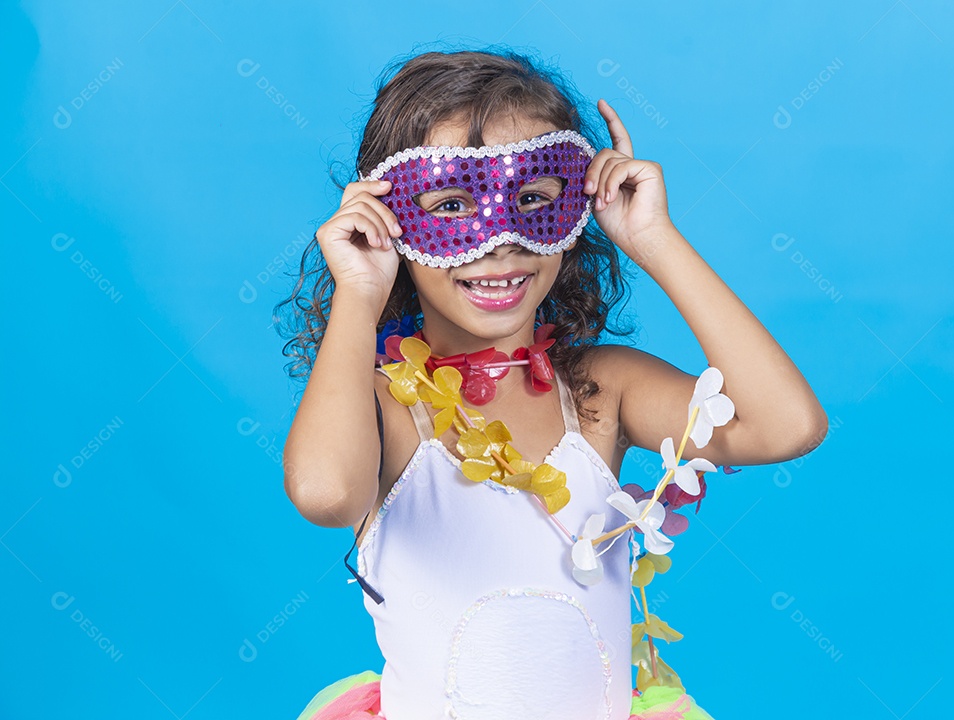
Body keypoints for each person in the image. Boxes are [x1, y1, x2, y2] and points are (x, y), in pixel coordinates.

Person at [278, 47, 828, 720]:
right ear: (389, 221)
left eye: (533, 200)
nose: (499, 239)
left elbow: (787, 426)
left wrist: (653, 238)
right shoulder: (386, 405)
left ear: (576, 207)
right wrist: (359, 293)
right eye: (450, 204)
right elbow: (327, 495)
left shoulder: (601, 390)